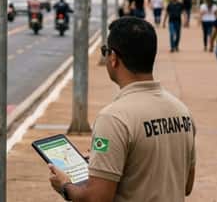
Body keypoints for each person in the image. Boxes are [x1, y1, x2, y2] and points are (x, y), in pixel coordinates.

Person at [47, 17, 195, 201]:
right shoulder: (182, 112)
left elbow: (97, 198)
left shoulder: (113, 119)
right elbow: (186, 185)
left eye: (105, 51)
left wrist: (65, 186)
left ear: (114, 58)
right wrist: (107, 160)